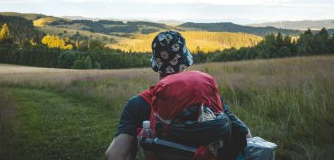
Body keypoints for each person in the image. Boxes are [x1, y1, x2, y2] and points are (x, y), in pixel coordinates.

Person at [105, 31, 249, 160]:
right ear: (185, 63)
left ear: (156, 64)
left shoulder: (137, 104)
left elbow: (114, 155)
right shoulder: (206, 96)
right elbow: (245, 134)